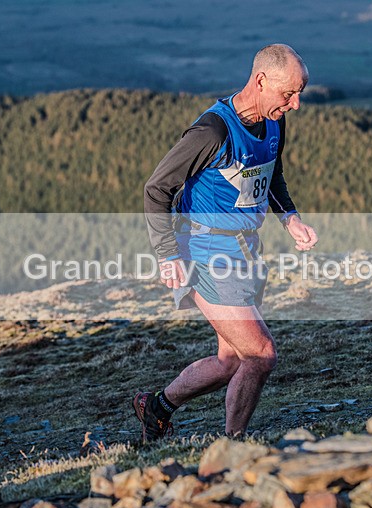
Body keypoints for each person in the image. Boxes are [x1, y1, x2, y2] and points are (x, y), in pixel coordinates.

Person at [137, 43, 318, 443]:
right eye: (289, 93)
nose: (296, 104)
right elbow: (156, 189)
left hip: (246, 250)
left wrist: (290, 217)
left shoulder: (273, 121)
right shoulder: (212, 131)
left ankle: (156, 407)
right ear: (261, 81)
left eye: (299, 93)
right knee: (260, 354)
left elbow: (271, 172)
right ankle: (235, 444)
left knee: (229, 360)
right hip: (204, 251)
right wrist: (168, 255)